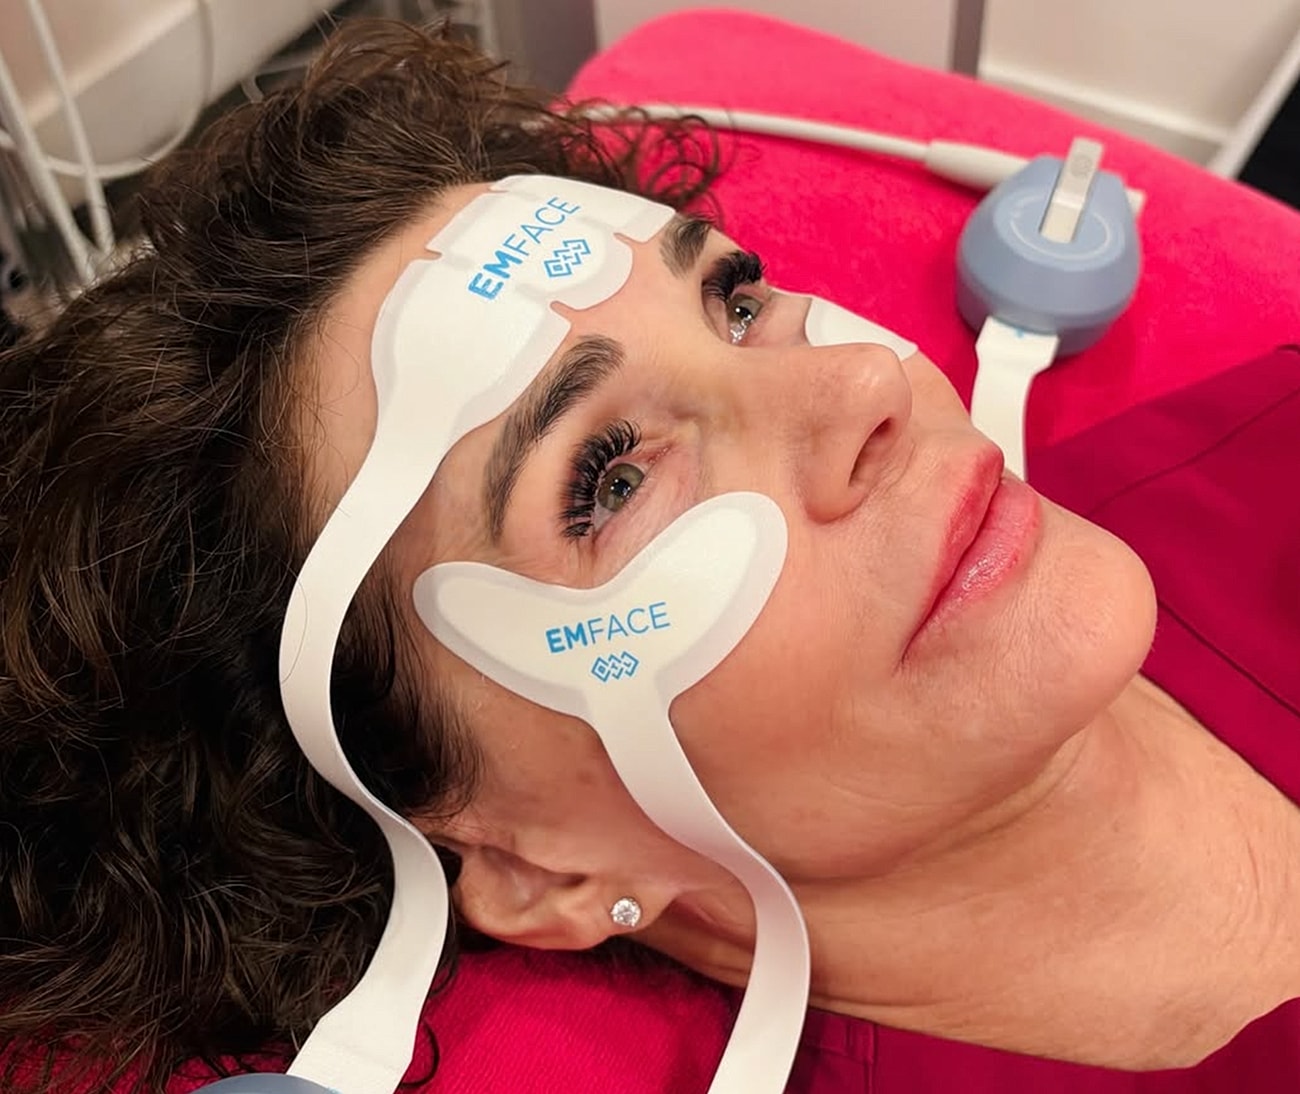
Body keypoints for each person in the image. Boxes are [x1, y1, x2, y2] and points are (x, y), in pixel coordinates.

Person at [1, 15, 1298, 1094]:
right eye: (609, 477)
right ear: (536, 863)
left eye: (735, 304)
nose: (862, 386)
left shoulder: (1262, 447)